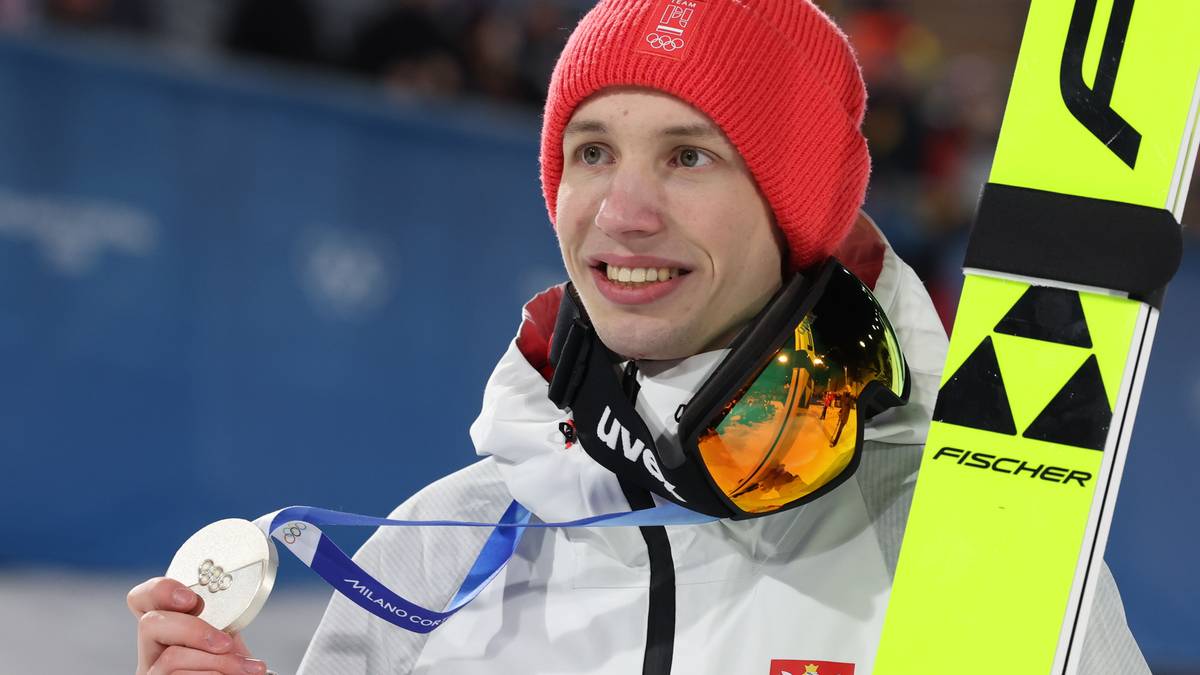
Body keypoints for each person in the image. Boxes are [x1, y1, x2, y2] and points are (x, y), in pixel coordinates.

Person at [127, 1, 1151, 673]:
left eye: (690, 157)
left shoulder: (972, 545)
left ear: (797, 210)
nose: (624, 211)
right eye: (592, 151)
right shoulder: (442, 550)